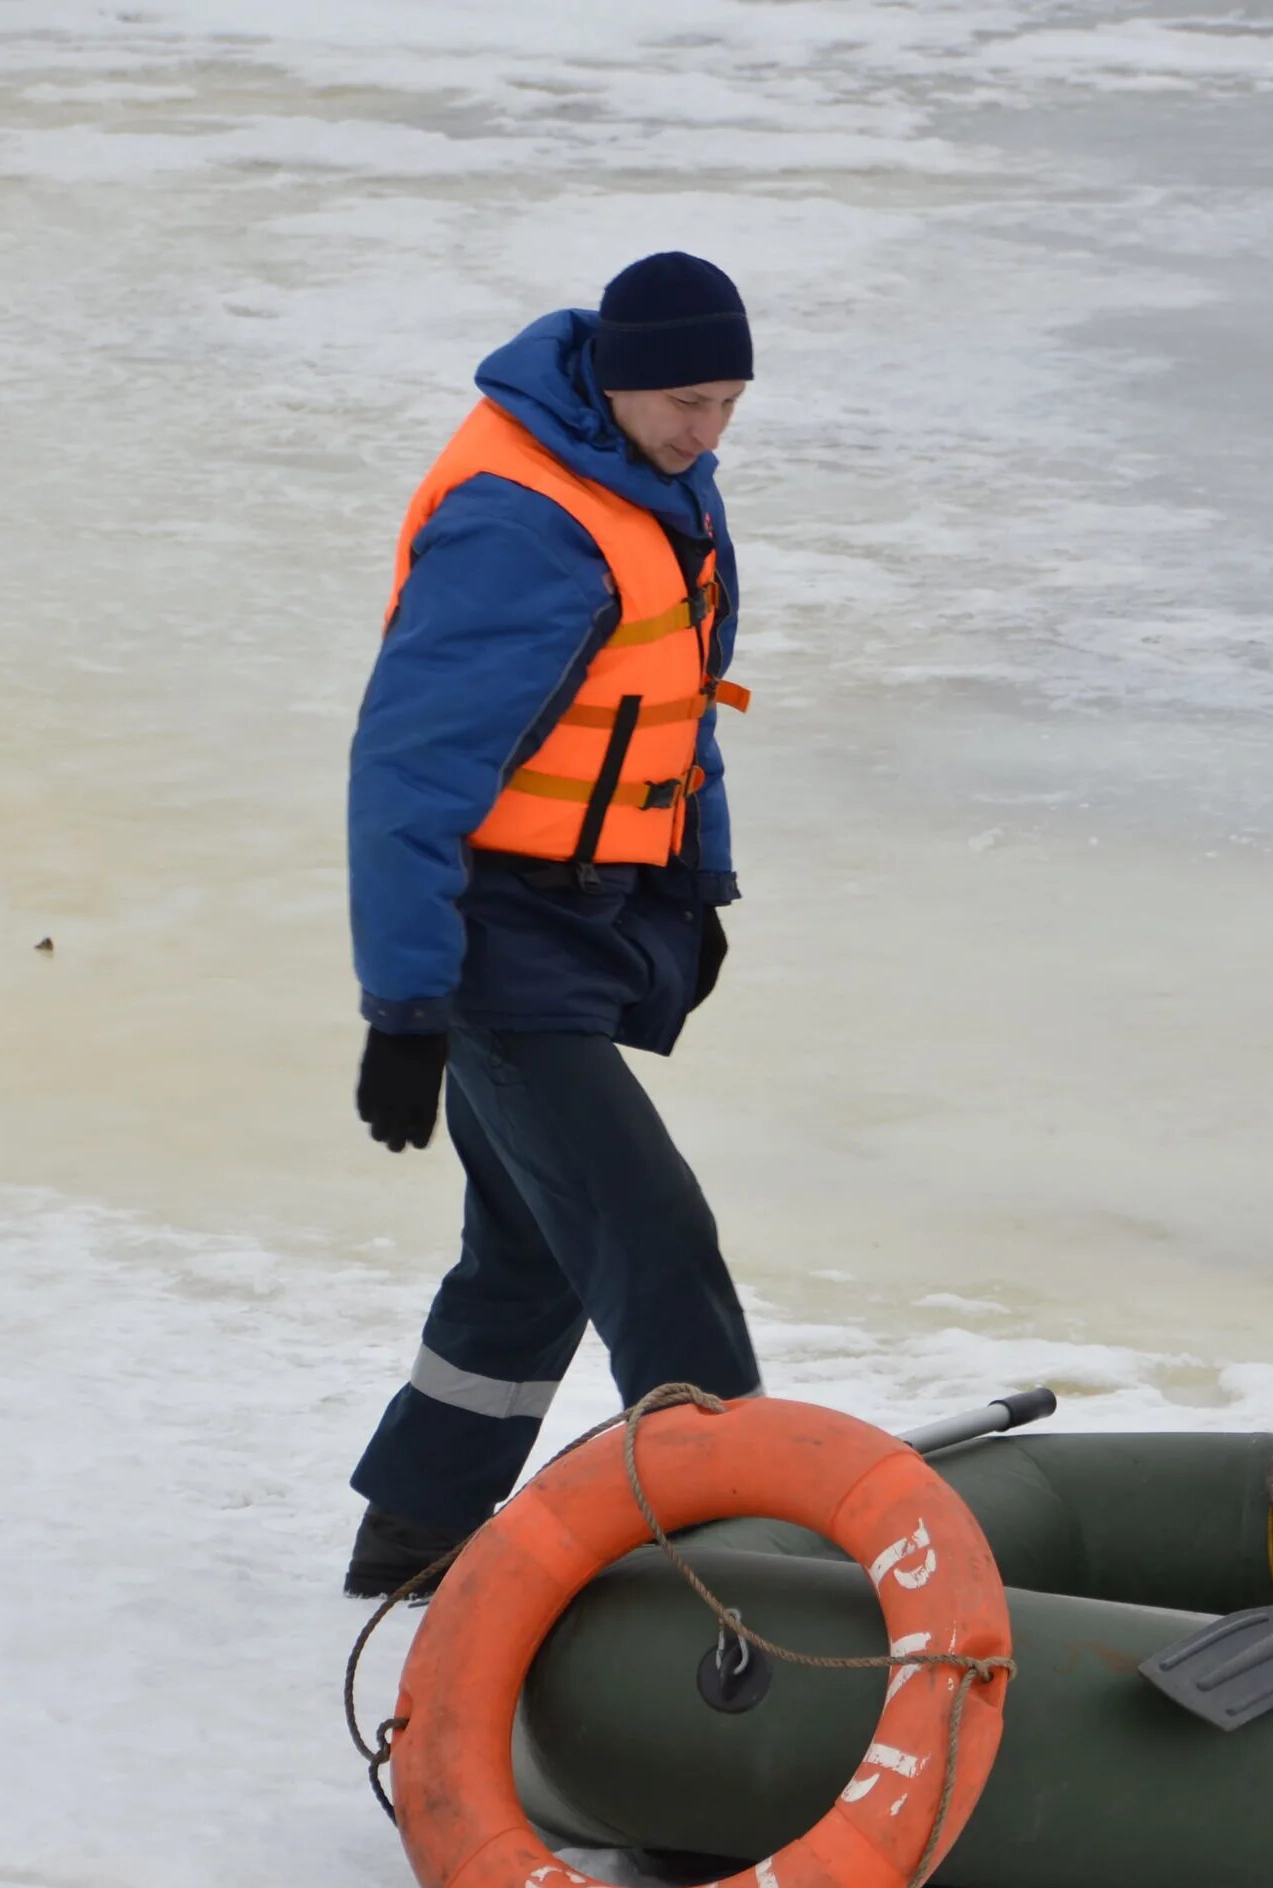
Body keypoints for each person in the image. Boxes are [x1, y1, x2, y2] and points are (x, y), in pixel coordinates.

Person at [340, 252, 766, 1597]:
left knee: (532, 1247)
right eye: (688, 399)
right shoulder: (518, 524)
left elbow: (673, 708)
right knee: (652, 1237)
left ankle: (415, 1524)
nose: (709, 430)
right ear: (622, 382)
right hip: (492, 942)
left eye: (730, 402)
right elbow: (405, 775)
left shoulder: (657, 480)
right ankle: (742, 1554)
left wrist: (688, 890)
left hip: (583, 924)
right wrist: (407, 1010)